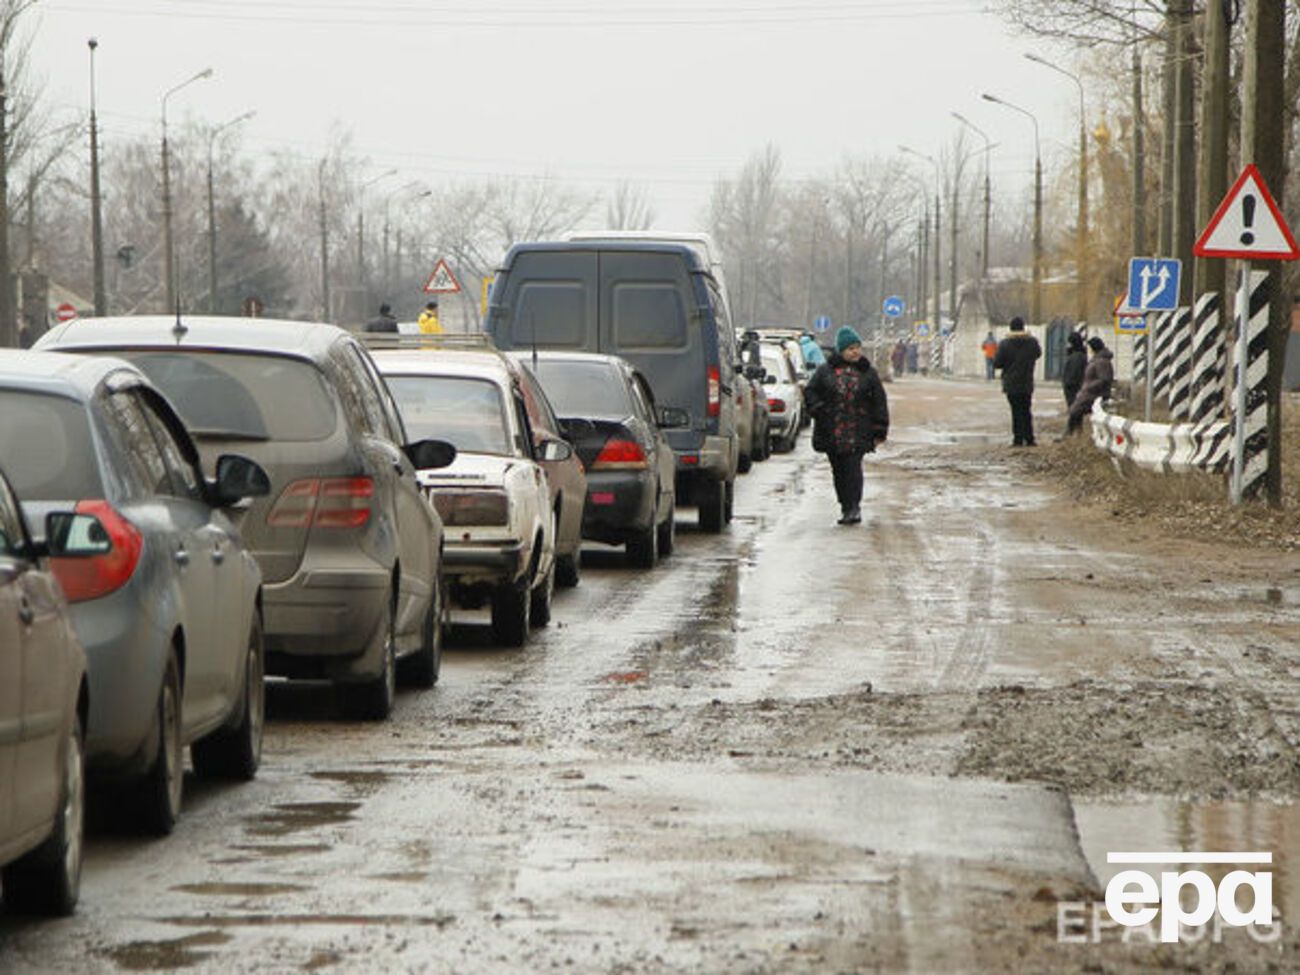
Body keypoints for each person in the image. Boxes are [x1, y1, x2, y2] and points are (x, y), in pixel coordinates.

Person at [805, 326, 889, 526]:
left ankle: (854, 507)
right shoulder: (825, 371)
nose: (855, 352)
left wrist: (880, 429)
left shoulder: (868, 373)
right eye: (851, 348)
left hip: (858, 430)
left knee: (853, 468)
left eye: (857, 347)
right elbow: (810, 392)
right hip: (832, 431)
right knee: (839, 470)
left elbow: (879, 401)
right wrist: (818, 409)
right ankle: (845, 504)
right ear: (841, 350)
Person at [993, 316, 1042, 447]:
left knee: (1016, 411)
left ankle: (1018, 439)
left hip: (1011, 383)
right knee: (1026, 409)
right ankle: (1030, 438)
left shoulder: (1005, 344)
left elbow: (997, 363)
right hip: (1026, 382)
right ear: (1023, 327)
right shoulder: (1032, 342)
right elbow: (1038, 354)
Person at [1067, 336, 1115, 433]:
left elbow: (1104, 379)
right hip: (1090, 393)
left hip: (1095, 394)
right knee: (1075, 411)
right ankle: (1074, 433)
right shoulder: (1098, 359)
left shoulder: (1102, 361)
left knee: (1075, 411)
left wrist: (1089, 386)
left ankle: (1072, 433)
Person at [1061, 331, 1087, 408]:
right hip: (1075, 389)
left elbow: (1074, 375)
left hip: (1073, 390)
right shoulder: (1079, 355)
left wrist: (1067, 384)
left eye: (1069, 342)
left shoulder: (1076, 357)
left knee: (1074, 411)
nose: (1067, 345)